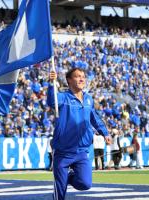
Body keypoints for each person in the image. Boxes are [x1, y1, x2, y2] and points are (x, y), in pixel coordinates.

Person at [47, 68, 111, 200]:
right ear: (69, 80)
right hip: (63, 151)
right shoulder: (63, 97)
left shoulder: (89, 99)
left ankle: (69, 177)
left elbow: (94, 117)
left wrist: (105, 133)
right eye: (77, 76)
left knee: (85, 184)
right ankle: (63, 179)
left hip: (82, 151)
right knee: (60, 193)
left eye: (83, 76)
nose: (82, 79)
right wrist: (51, 83)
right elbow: (51, 101)